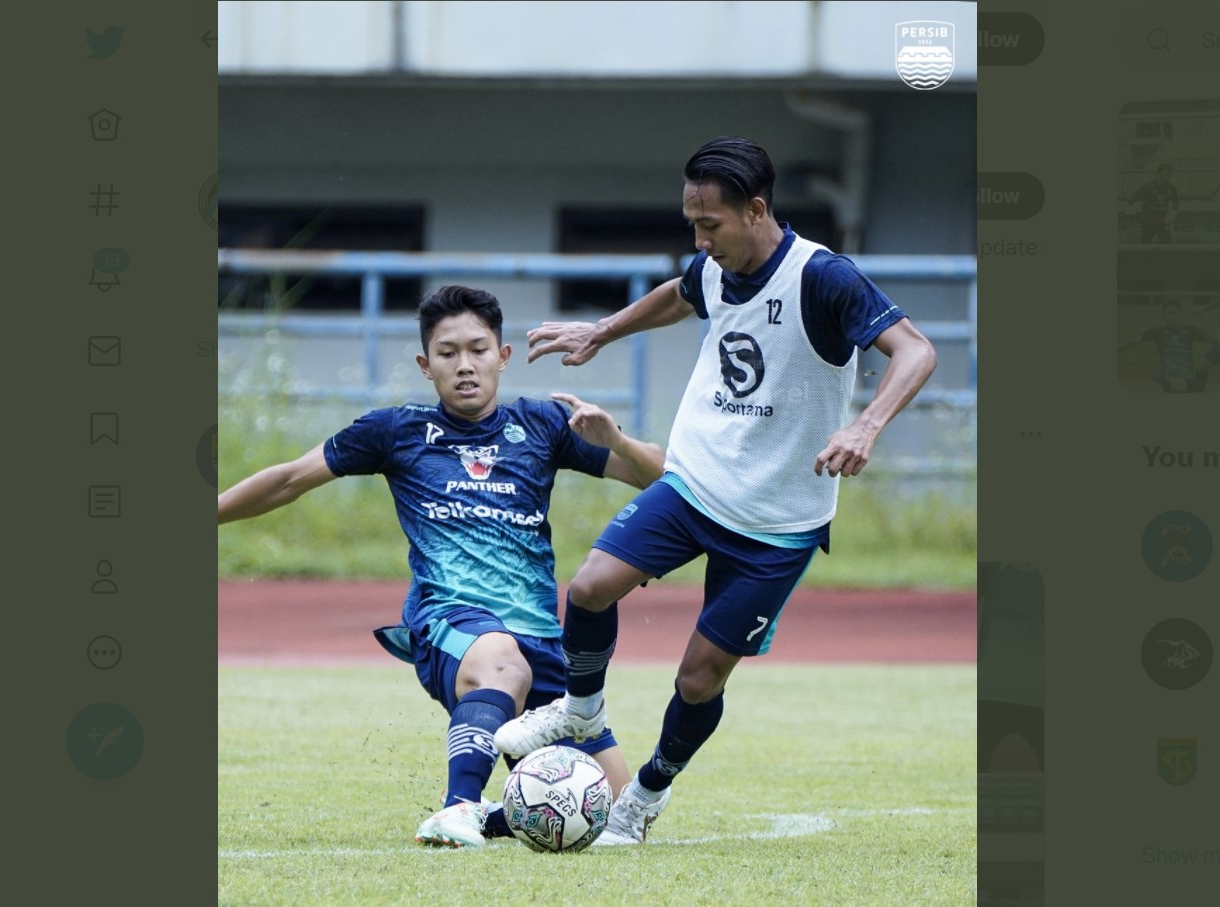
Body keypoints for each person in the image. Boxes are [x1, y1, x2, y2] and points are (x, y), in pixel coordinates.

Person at [493, 136, 938, 844]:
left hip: (778, 521)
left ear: (756, 209)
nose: (699, 241)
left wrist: (867, 426)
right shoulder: (715, 267)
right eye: (691, 224)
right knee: (589, 586)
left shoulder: (823, 277)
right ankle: (581, 708)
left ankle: (642, 797)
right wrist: (602, 332)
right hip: (696, 483)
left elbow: (916, 348)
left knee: (700, 679)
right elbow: (680, 294)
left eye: (710, 226)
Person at [217, 285, 666, 848]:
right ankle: (456, 809)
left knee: (614, 818)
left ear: (503, 357)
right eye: (448, 353)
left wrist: (617, 441)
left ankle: (494, 817)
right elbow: (287, 479)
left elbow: (662, 479)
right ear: (426, 366)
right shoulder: (394, 431)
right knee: (504, 665)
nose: (465, 365)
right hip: (451, 624)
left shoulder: (546, 425)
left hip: (542, 638)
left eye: (478, 349)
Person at [1117, 299, 1217, 393]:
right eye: (1169, 313)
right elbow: (1134, 341)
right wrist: (1117, 349)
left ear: (1180, 315)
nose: (1172, 316)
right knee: (1179, 385)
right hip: (1168, 376)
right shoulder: (1157, 331)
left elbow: (1213, 341)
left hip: (1188, 375)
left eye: (1175, 313)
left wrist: (1207, 333)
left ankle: (1197, 387)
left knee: (1190, 384)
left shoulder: (1191, 330)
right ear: (1164, 315)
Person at [1127, 162, 1179, 244]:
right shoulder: (1148, 187)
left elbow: (1176, 202)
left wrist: (1174, 212)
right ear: (1158, 174)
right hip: (1148, 222)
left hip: (1162, 222)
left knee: (1168, 246)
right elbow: (1132, 197)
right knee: (1144, 246)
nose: (1167, 178)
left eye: (1169, 175)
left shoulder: (1171, 188)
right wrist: (1130, 206)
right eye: (1165, 175)